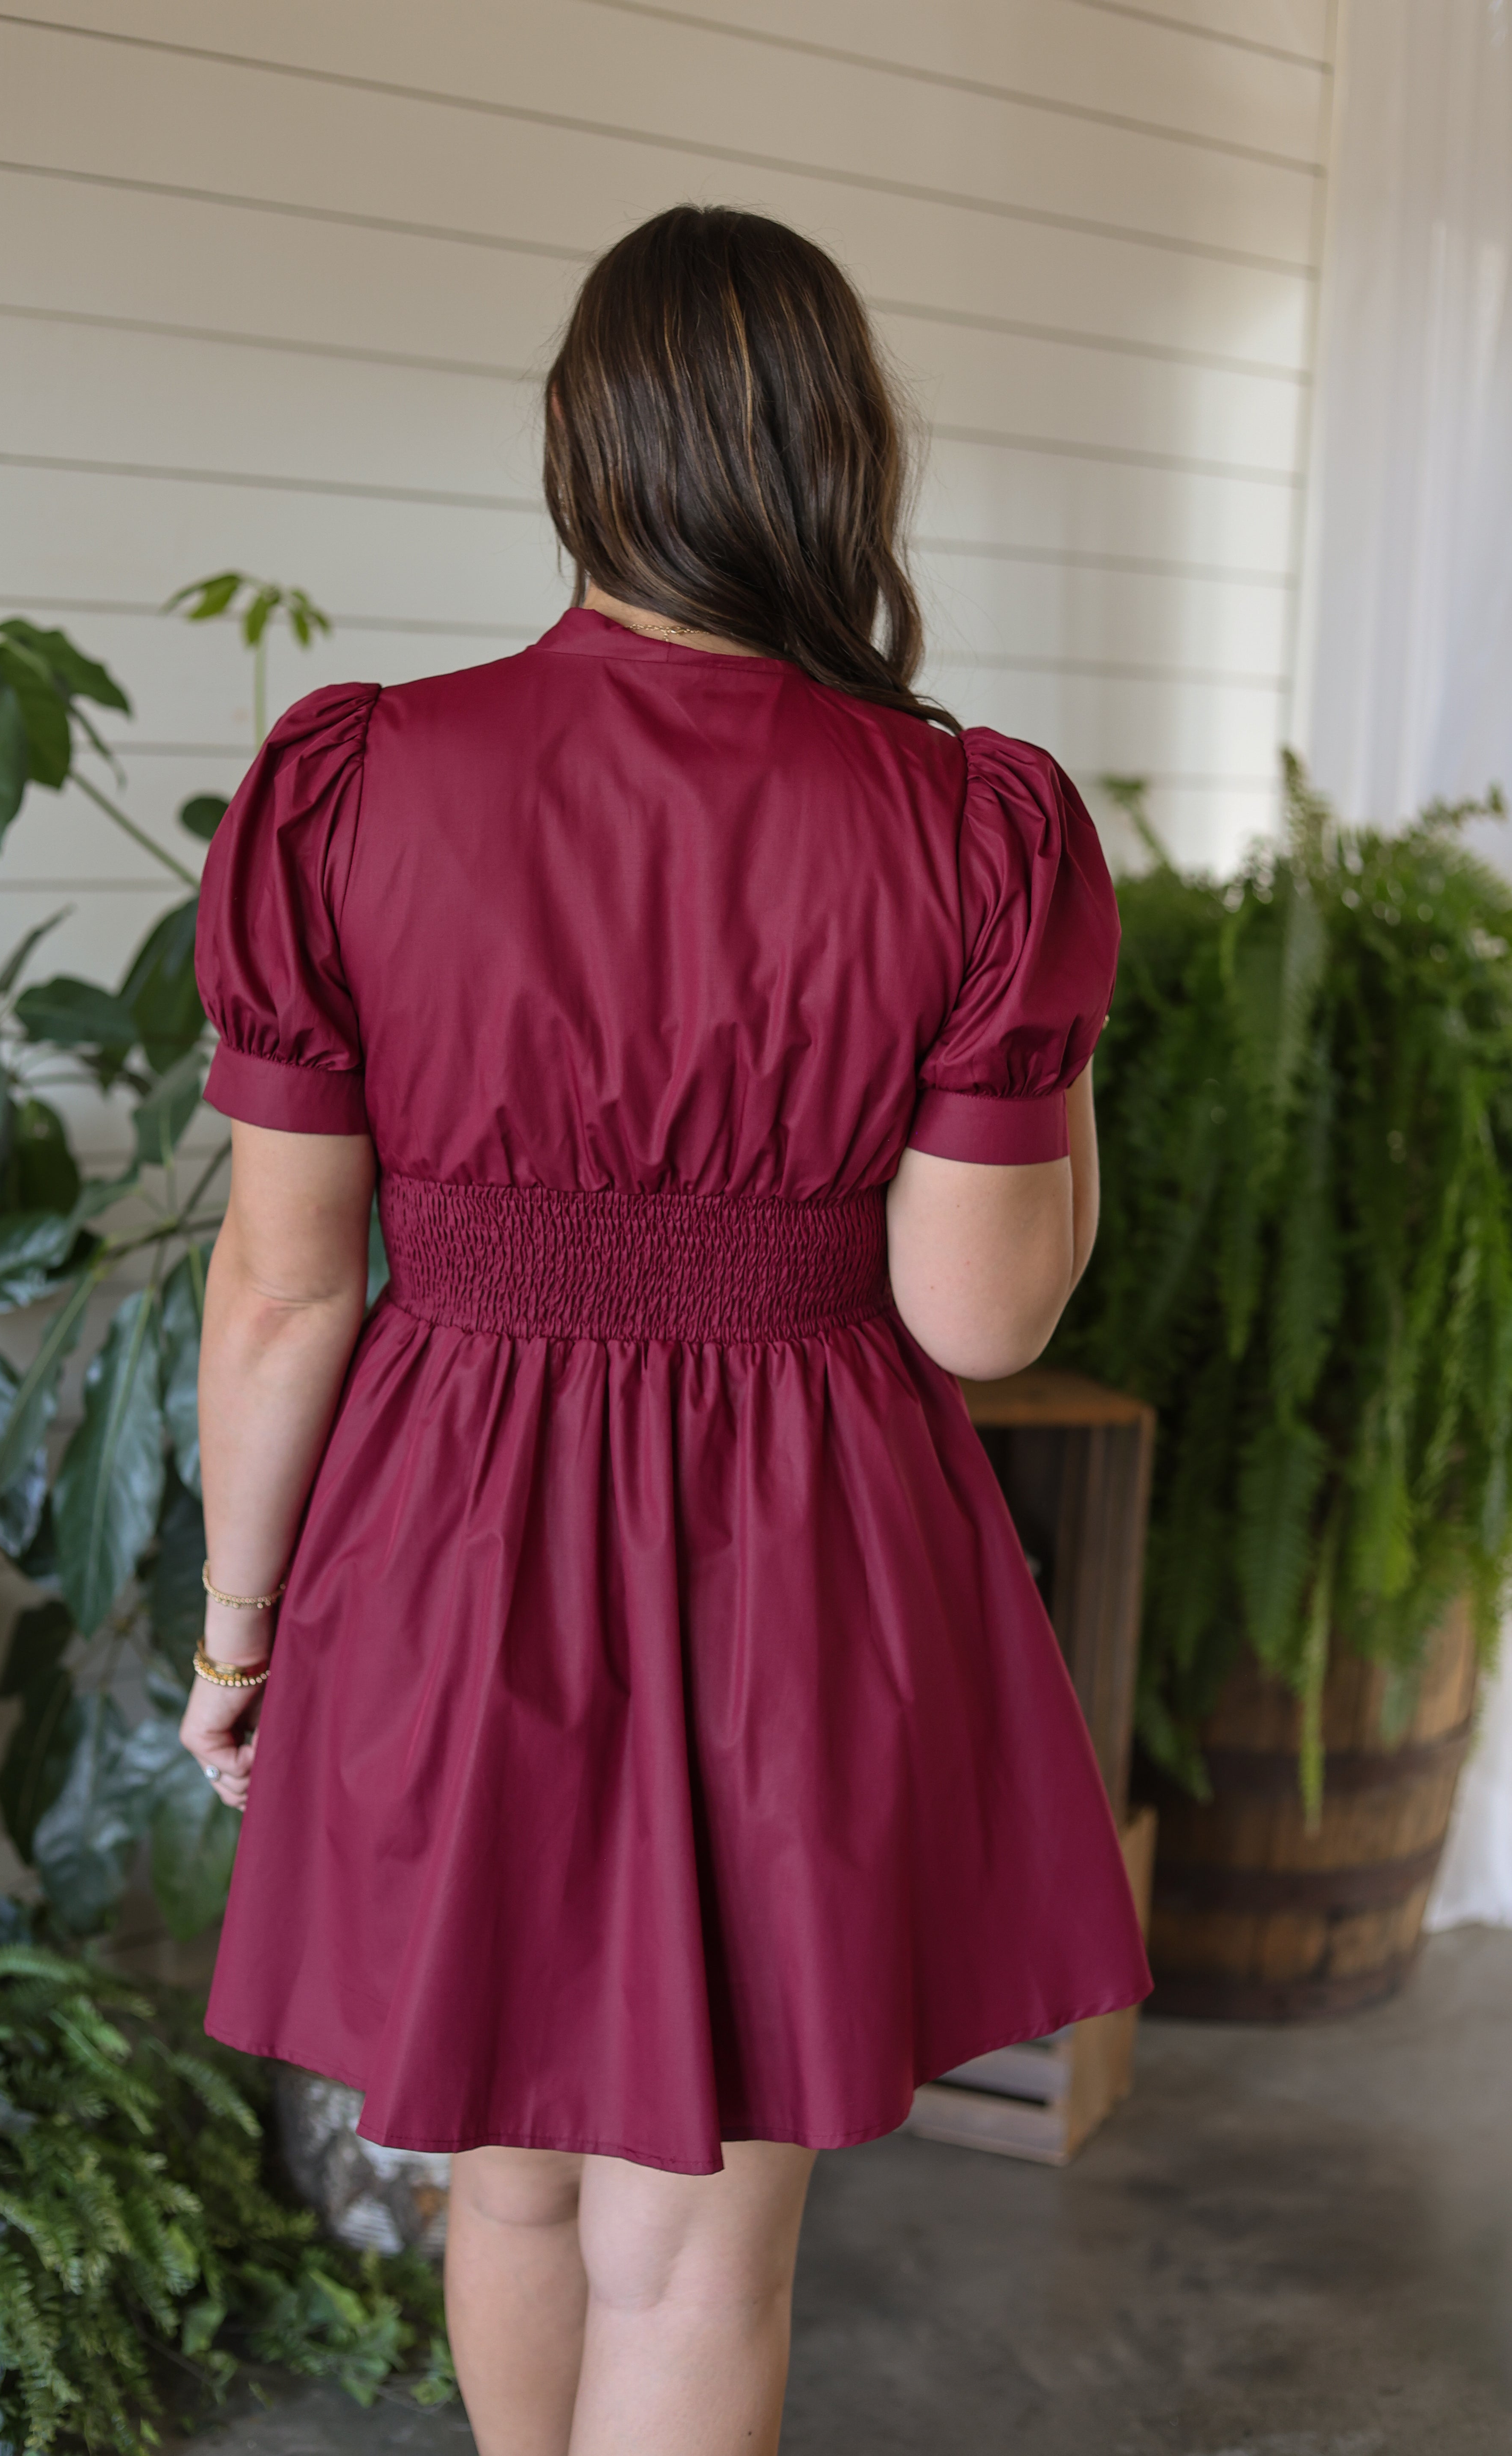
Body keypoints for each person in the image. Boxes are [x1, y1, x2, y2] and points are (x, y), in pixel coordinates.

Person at [182, 203, 1150, 2456]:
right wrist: (1058, 1061)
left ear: (579, 445)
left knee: (510, 2172)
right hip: (799, 1553)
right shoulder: (976, 827)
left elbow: (284, 1281)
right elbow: (978, 1316)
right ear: (845, 454)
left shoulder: (352, 785)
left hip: (450, 1535)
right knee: (701, 2242)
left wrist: (240, 1638)